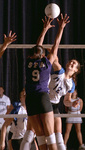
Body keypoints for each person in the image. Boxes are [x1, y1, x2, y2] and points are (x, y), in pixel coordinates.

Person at [25, 13, 70, 150]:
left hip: (30, 99)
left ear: (31, 55)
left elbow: (37, 47)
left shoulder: (28, 62)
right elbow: (56, 44)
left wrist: (44, 29)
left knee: (39, 136)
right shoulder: (46, 62)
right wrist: (60, 27)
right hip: (43, 98)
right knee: (50, 135)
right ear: (43, 55)